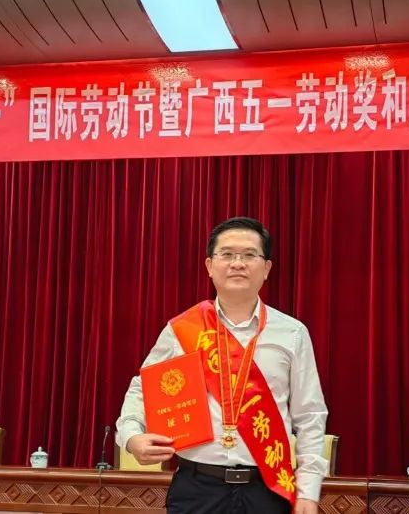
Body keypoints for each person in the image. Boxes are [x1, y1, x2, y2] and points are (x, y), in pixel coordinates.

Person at [117, 217, 328, 514]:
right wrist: (131, 437)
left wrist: (308, 491)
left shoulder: (292, 333)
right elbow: (142, 389)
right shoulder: (182, 330)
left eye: (249, 255)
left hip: (267, 489)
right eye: (227, 254)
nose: (237, 263)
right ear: (209, 265)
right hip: (197, 488)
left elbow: (310, 415)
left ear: (266, 268)